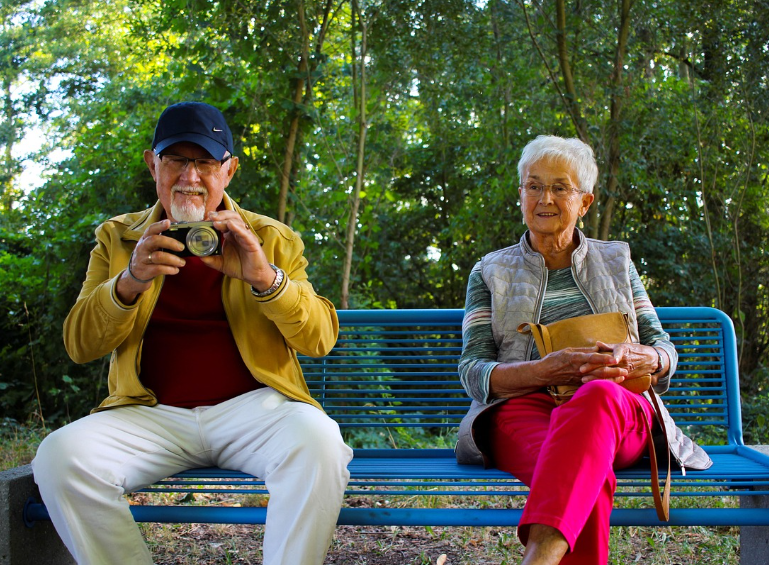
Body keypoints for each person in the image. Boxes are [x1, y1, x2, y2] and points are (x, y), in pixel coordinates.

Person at [32, 101, 353, 565]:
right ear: (152, 164)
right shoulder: (118, 238)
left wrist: (266, 278)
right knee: (59, 456)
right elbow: (80, 345)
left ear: (229, 170)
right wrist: (129, 282)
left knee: (319, 442)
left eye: (204, 161)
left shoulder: (271, 237)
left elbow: (319, 340)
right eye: (176, 160)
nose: (189, 176)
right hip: (151, 415)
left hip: (254, 411)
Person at [455, 135, 712, 565]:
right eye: (533, 185)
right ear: (520, 194)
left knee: (597, 398)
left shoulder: (617, 261)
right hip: (523, 406)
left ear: (586, 202)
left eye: (560, 187)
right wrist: (543, 372)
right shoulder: (490, 270)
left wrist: (643, 357)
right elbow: (472, 370)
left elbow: (662, 347)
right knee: (580, 475)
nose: (545, 198)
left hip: (617, 406)